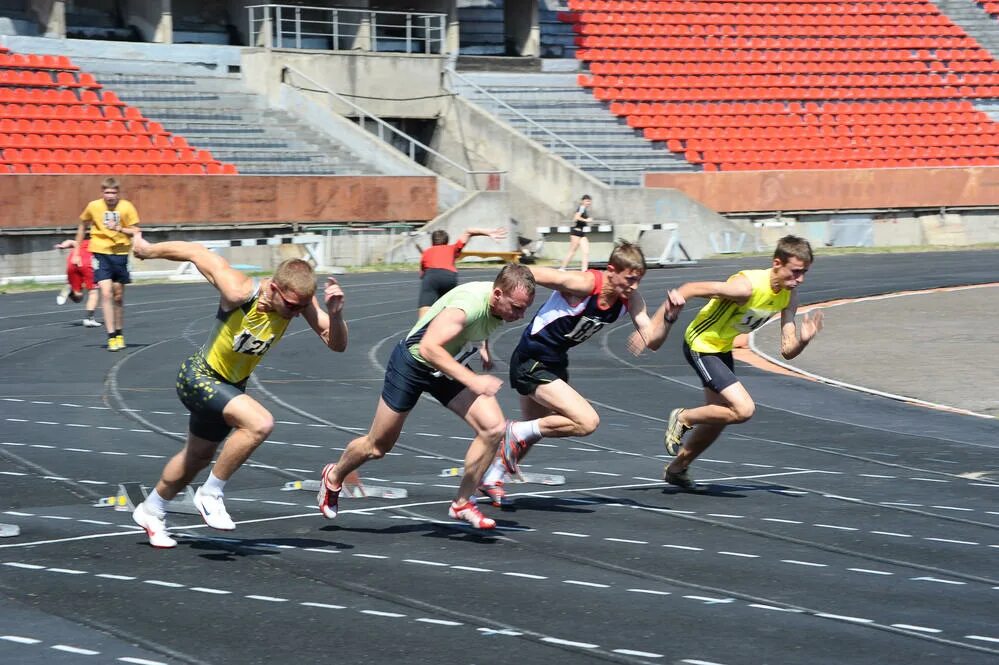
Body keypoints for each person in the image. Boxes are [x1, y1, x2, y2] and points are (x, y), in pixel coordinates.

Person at [128, 235, 348, 548]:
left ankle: (151, 510)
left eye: (302, 307)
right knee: (260, 423)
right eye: (291, 306)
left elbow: (336, 343)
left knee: (197, 457)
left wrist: (337, 315)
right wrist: (147, 250)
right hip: (199, 377)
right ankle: (210, 494)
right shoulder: (239, 290)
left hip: (228, 387)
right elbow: (196, 250)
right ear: (273, 287)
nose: (296, 314)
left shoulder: (300, 302)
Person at [317, 263, 536, 530]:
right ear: (498, 294)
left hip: (446, 364)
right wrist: (473, 379)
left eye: (525, 308)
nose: (521, 315)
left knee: (493, 428)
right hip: (414, 363)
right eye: (516, 308)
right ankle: (334, 475)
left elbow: (476, 326)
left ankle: (462, 503)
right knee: (377, 446)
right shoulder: (469, 305)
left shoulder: (497, 305)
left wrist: (483, 346)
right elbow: (429, 347)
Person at [628, 235, 824, 490]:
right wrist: (654, 328)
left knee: (720, 417)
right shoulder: (746, 287)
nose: (800, 280)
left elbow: (787, 350)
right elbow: (689, 289)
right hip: (701, 345)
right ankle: (684, 417)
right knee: (743, 409)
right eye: (795, 272)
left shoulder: (788, 296)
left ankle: (677, 468)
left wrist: (803, 340)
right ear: (777, 263)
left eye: (804, 273)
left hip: (721, 349)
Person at [478, 241, 665, 506]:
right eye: (630, 279)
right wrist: (502, 304)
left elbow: (652, 340)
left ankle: (491, 477)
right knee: (586, 421)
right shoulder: (584, 284)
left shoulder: (630, 298)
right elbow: (528, 273)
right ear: (612, 270)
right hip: (531, 359)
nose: (634, 286)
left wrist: (667, 317)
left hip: (554, 362)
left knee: (530, 434)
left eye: (639, 280)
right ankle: (513, 433)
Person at [71, 177, 140, 352]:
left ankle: (119, 333)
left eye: (114, 193)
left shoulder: (127, 207)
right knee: (106, 293)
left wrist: (120, 229)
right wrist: (77, 251)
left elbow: (136, 231)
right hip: (101, 253)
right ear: (102, 193)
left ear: (118, 194)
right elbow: (82, 225)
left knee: (118, 296)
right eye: (107, 193)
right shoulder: (93, 206)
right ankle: (110, 337)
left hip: (121, 254)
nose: (110, 196)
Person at [414, 227, 508, 319]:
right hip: (449, 276)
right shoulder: (452, 248)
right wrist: (488, 232)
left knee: (425, 313)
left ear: (432, 242)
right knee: (449, 309)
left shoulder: (426, 252)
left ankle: (422, 329)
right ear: (447, 241)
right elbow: (469, 232)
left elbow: (422, 275)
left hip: (431, 276)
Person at [54, 238, 102, 327]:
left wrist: (63, 245)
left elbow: (70, 241)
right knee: (93, 292)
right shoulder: (98, 241)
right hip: (87, 262)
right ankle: (89, 319)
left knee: (78, 297)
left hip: (72, 261)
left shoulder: (80, 241)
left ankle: (71, 290)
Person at [558, 194, 593, 271]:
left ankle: (584, 271)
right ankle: (562, 268)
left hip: (582, 234)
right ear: (583, 201)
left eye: (589, 201)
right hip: (576, 232)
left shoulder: (584, 209)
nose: (588, 203)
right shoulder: (582, 207)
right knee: (572, 251)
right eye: (587, 201)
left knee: (586, 251)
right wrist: (587, 220)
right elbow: (576, 218)